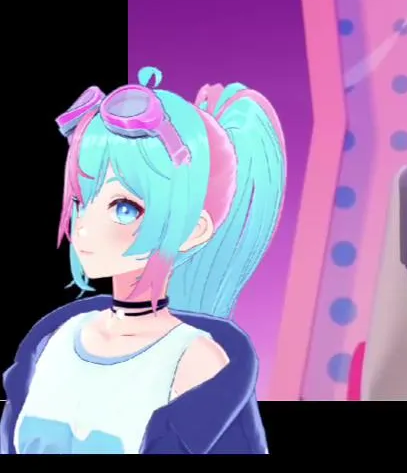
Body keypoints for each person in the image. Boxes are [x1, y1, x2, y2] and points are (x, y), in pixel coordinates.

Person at [1, 67, 285, 454]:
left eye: (123, 208)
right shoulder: (53, 340)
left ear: (194, 230)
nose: (83, 226)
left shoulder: (195, 361)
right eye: (82, 199)